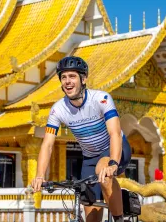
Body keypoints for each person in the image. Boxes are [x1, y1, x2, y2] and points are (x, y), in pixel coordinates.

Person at [31, 56, 131, 222]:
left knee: (103, 171)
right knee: (91, 215)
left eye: (72, 76)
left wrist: (113, 163)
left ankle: (119, 219)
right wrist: (40, 175)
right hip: (89, 158)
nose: (67, 82)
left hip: (115, 148)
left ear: (83, 79)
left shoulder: (101, 99)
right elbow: (47, 144)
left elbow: (114, 133)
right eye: (63, 77)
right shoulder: (58, 109)